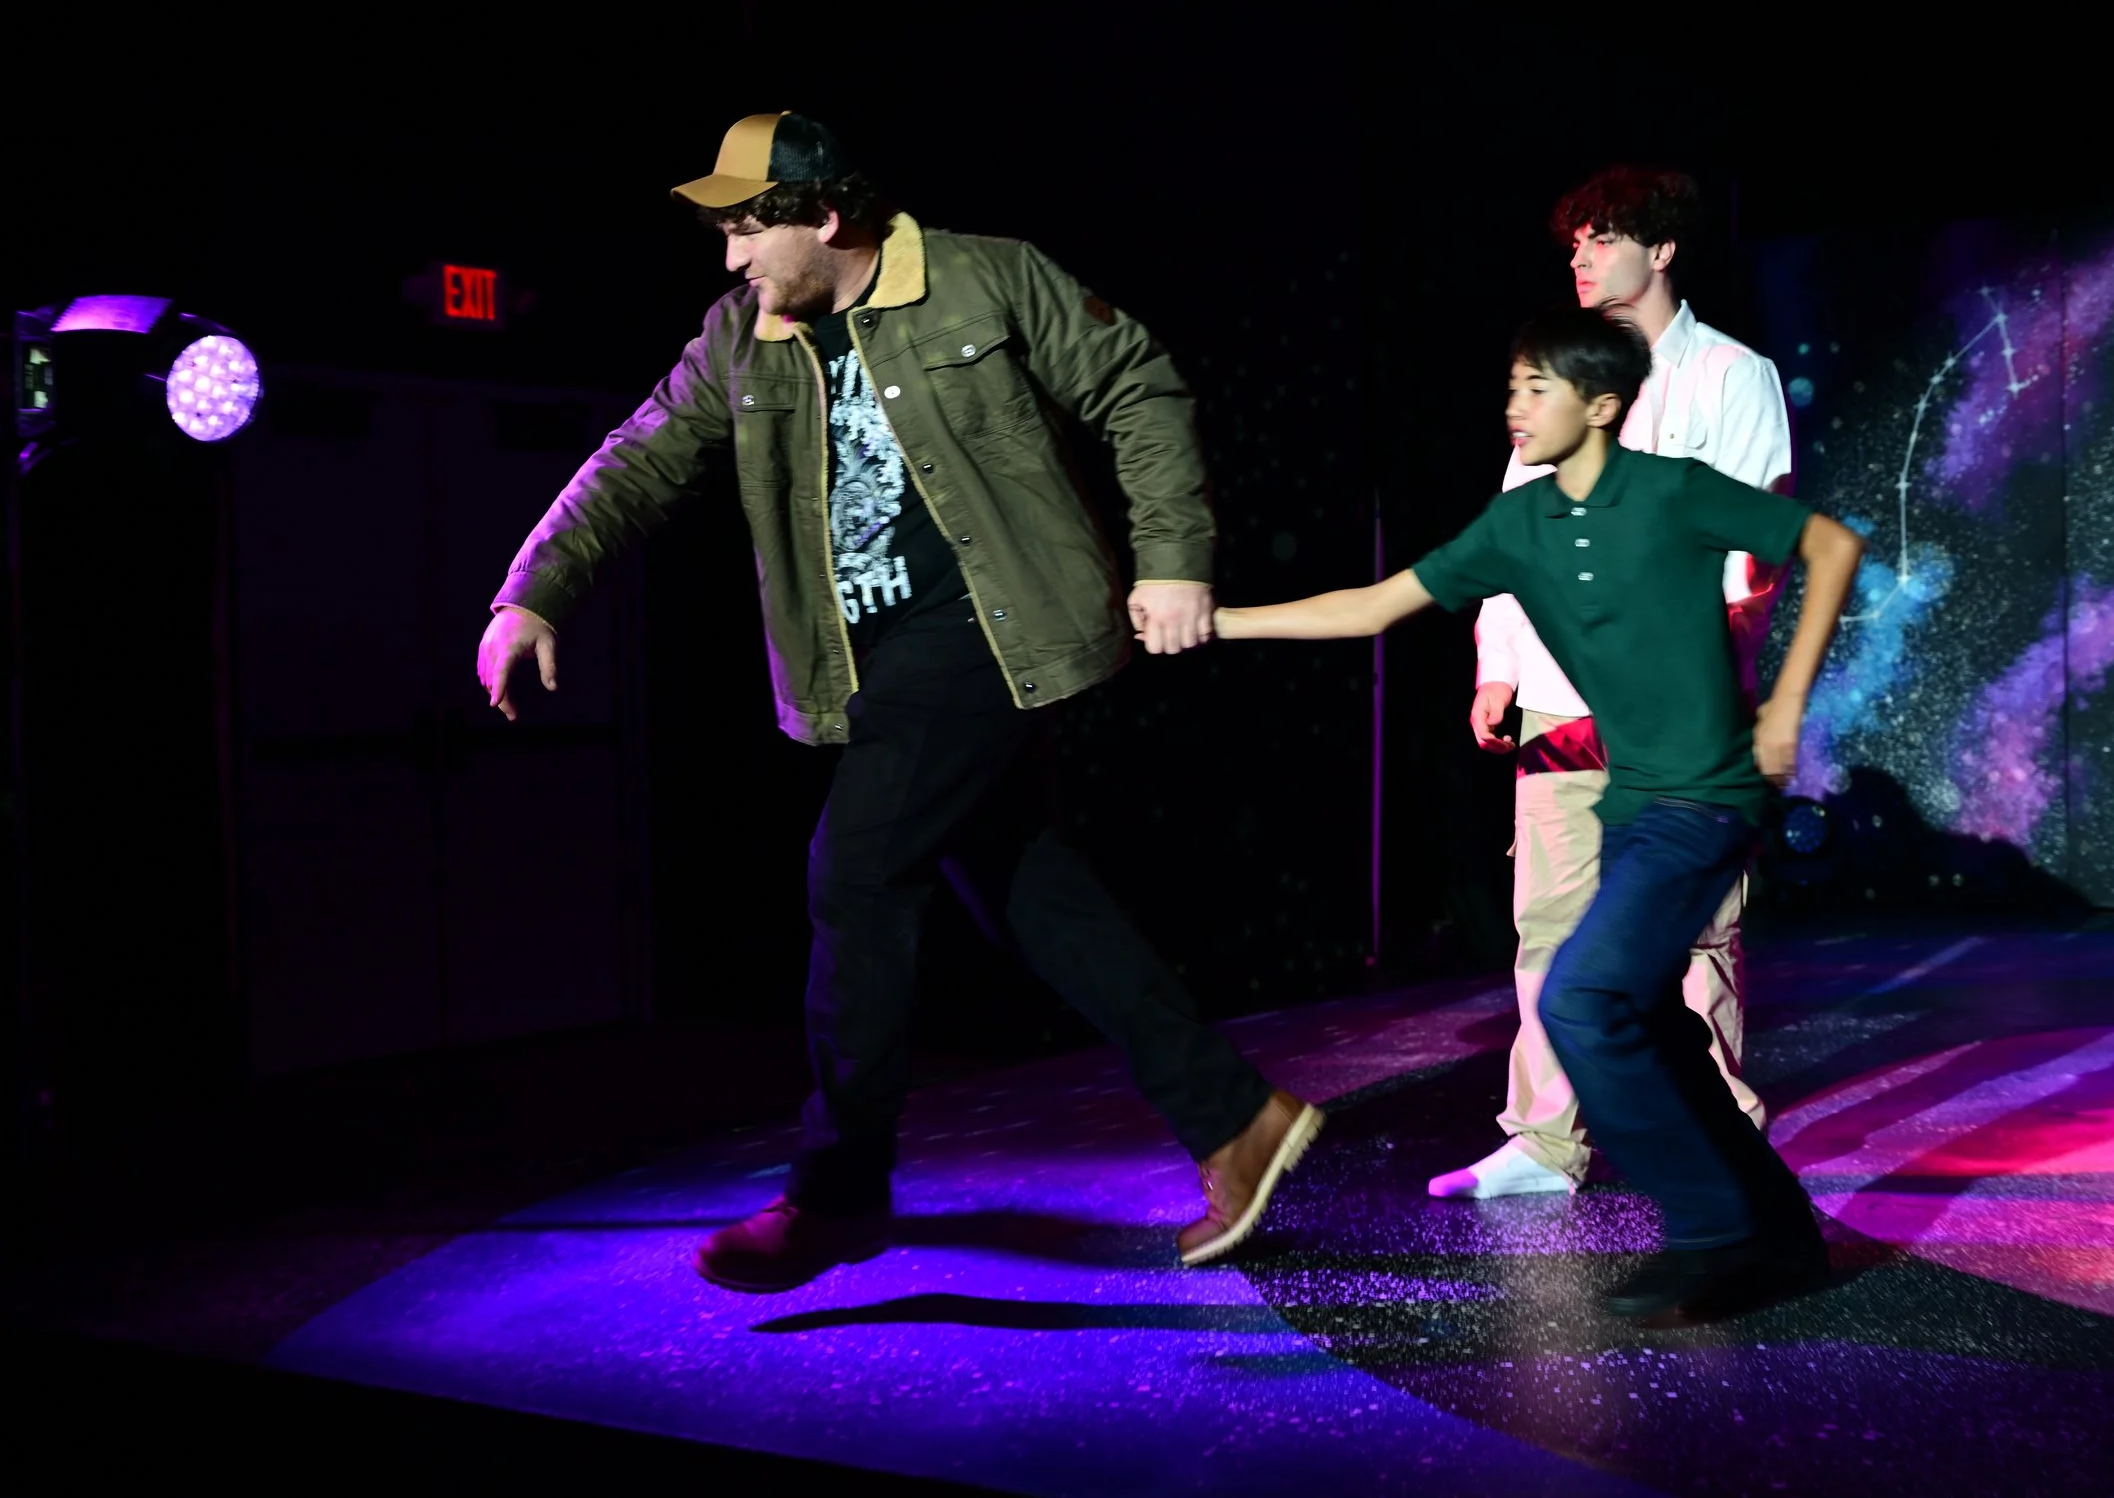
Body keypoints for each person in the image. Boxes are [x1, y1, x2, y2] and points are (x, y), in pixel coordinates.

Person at [474, 112, 1320, 1292]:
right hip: (866, 662)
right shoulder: (744, 334)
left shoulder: (985, 277)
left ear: (826, 214)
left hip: (990, 623)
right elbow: (642, 455)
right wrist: (535, 593)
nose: (731, 259)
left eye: (748, 230)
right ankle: (1238, 1119)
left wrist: (1173, 554)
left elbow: (1137, 384)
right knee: (1026, 889)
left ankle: (838, 1191)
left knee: (854, 873)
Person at [1219, 308, 1860, 1321]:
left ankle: (1707, 1234)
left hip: (1708, 793)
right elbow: (1378, 604)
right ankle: (1777, 1228)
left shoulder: (1671, 493)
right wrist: (1215, 618)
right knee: (1641, 1011)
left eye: (1536, 388)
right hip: (1626, 800)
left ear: (1601, 404)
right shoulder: (1520, 522)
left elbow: (1827, 543)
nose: (1514, 407)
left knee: (1583, 999)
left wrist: (1783, 702)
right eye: (1510, 387)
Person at [1435, 167, 1791, 1201]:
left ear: (1662, 248)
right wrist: (1495, 665)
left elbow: (1749, 553)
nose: (1582, 258)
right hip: (1556, 692)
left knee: (1691, 929)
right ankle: (1547, 1138)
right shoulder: (1555, 375)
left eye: (1602, 239)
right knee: (1548, 920)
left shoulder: (1731, 375)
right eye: (1574, 243)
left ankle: (1720, 1130)